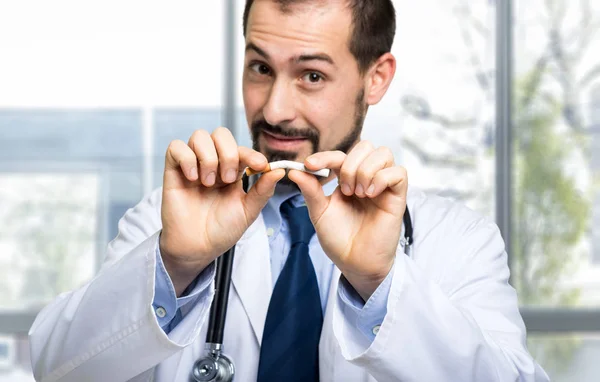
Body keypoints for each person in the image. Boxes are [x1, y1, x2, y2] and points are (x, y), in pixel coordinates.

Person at [28, 0, 550, 381]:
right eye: (260, 68)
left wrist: (381, 283)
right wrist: (176, 265)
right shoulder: (170, 221)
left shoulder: (457, 239)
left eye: (312, 76)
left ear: (377, 78)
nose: (274, 109)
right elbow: (58, 368)